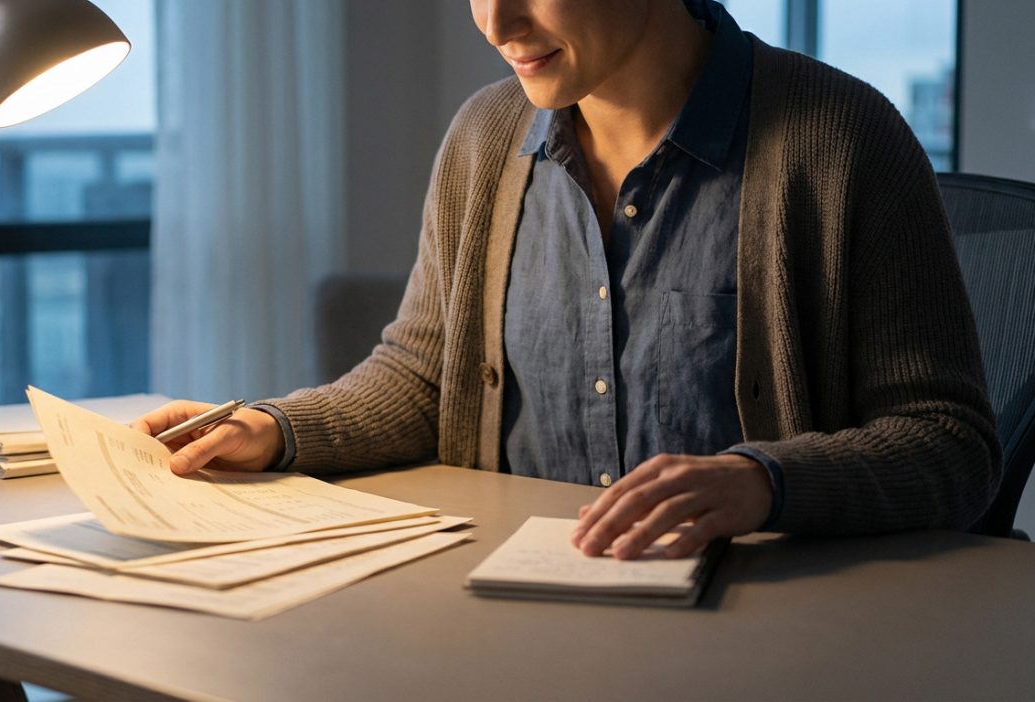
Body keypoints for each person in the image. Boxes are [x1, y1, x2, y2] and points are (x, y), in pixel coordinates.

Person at [134, 0, 1000, 559]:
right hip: (508, 616)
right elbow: (422, 377)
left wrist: (760, 482)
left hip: (761, 639)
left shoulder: (840, 138)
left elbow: (950, 445)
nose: (496, 21)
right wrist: (271, 427)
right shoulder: (486, 137)